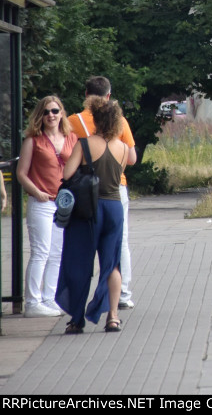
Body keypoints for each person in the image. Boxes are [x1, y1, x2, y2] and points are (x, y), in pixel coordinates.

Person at [56, 96, 133, 333]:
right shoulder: (123, 148)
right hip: (114, 208)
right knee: (112, 264)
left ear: (96, 120)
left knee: (81, 262)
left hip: (90, 209)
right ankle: (112, 317)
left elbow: (68, 174)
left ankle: (77, 319)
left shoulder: (85, 144)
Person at [69, 76, 138, 310]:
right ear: (108, 96)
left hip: (85, 189)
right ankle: (123, 295)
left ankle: (77, 303)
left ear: (85, 94)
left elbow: (67, 163)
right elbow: (132, 158)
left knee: (85, 244)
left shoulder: (71, 121)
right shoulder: (120, 121)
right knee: (120, 242)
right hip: (116, 187)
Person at [16, 96, 79, 317]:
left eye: (54, 110)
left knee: (57, 252)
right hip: (42, 202)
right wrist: (37, 192)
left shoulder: (72, 138)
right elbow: (21, 174)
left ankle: (48, 298)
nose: (50, 115)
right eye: (46, 112)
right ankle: (32, 302)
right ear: (40, 116)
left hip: (63, 203)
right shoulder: (33, 140)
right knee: (40, 252)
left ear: (61, 113)